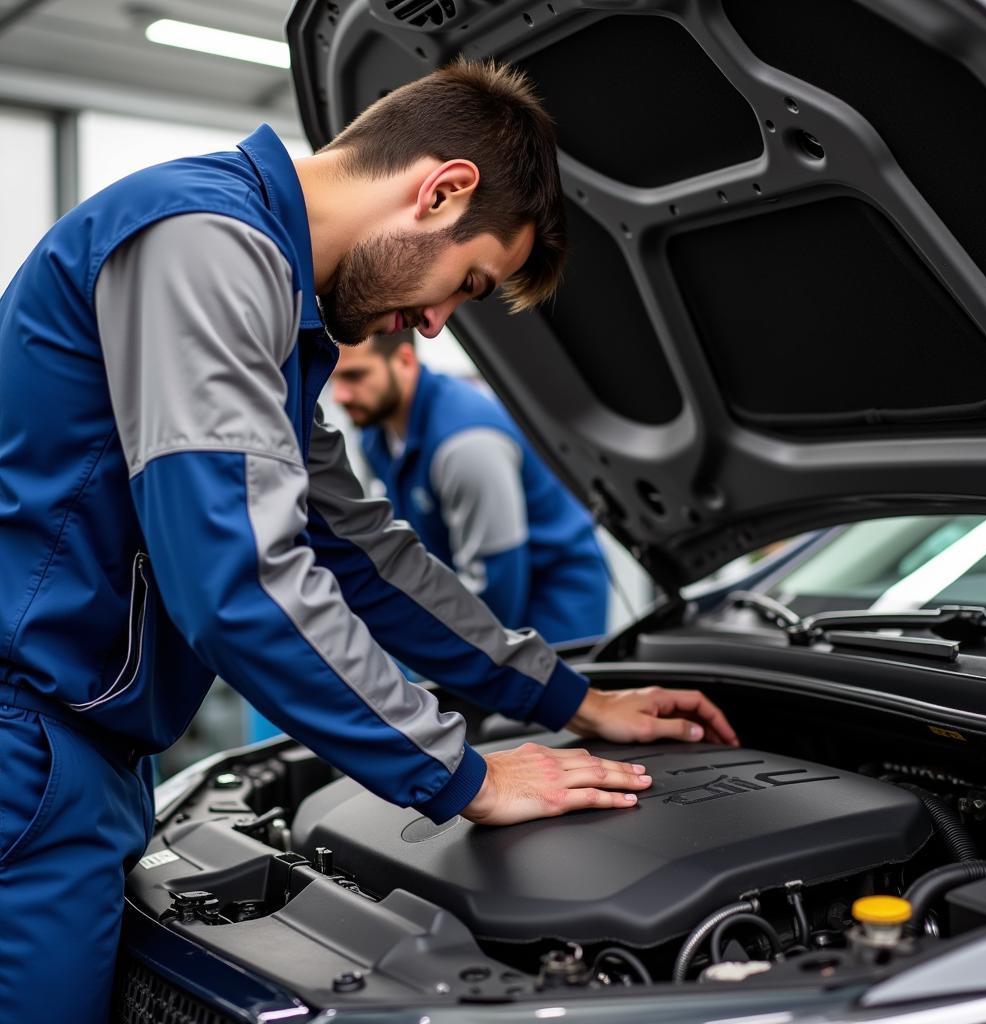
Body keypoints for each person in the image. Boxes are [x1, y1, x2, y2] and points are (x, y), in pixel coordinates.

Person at [0, 58, 738, 1021]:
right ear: (440, 190)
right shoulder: (207, 244)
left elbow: (358, 551)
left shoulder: (270, 305)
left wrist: (569, 698)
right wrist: (460, 774)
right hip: (28, 744)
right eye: (466, 283)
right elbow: (242, 580)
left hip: (82, 749)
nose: (433, 326)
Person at [333, 329, 609, 643]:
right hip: (473, 583)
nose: (340, 395)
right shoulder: (373, 431)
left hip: (552, 599)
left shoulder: (466, 444)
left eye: (355, 376)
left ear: (405, 361)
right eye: (334, 378)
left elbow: (496, 587)